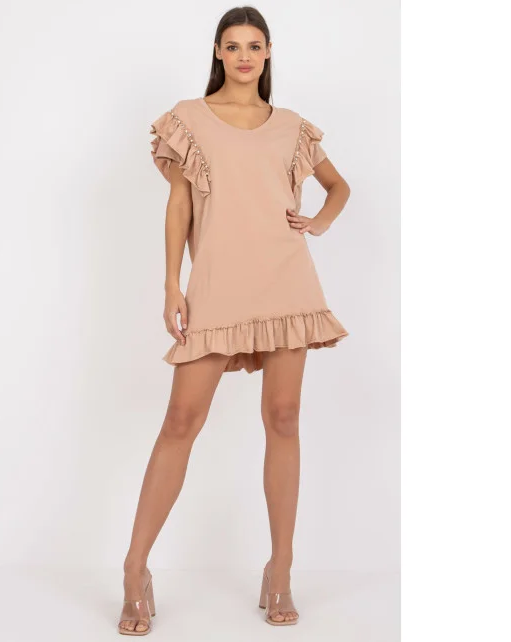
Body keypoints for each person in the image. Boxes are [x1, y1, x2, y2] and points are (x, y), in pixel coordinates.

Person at [118, 6, 350, 635]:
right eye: (233, 45)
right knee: (180, 420)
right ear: (218, 52)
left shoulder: (292, 127)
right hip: (218, 284)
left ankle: (280, 569)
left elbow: (338, 187)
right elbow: (179, 203)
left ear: (268, 52)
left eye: (254, 45)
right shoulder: (188, 119)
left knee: (284, 418)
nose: (244, 55)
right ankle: (135, 569)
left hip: (287, 281)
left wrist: (317, 223)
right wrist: (173, 283)